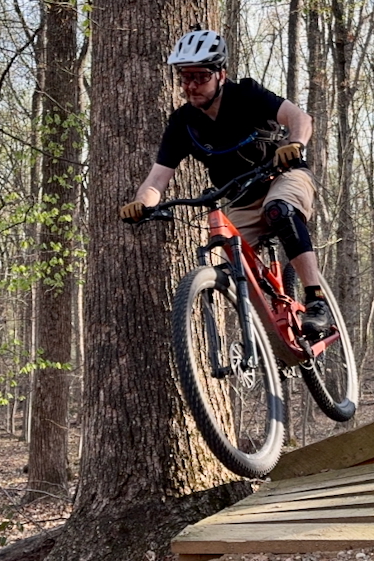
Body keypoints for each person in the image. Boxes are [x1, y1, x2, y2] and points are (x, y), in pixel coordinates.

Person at [120, 26, 335, 338]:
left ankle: (316, 300)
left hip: (282, 177)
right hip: (240, 199)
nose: (191, 85)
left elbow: (300, 118)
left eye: (200, 76)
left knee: (280, 210)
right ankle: (272, 335)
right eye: (184, 77)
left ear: (221, 74)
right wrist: (142, 204)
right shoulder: (183, 123)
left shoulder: (246, 94)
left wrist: (296, 144)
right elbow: (156, 180)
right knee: (233, 264)